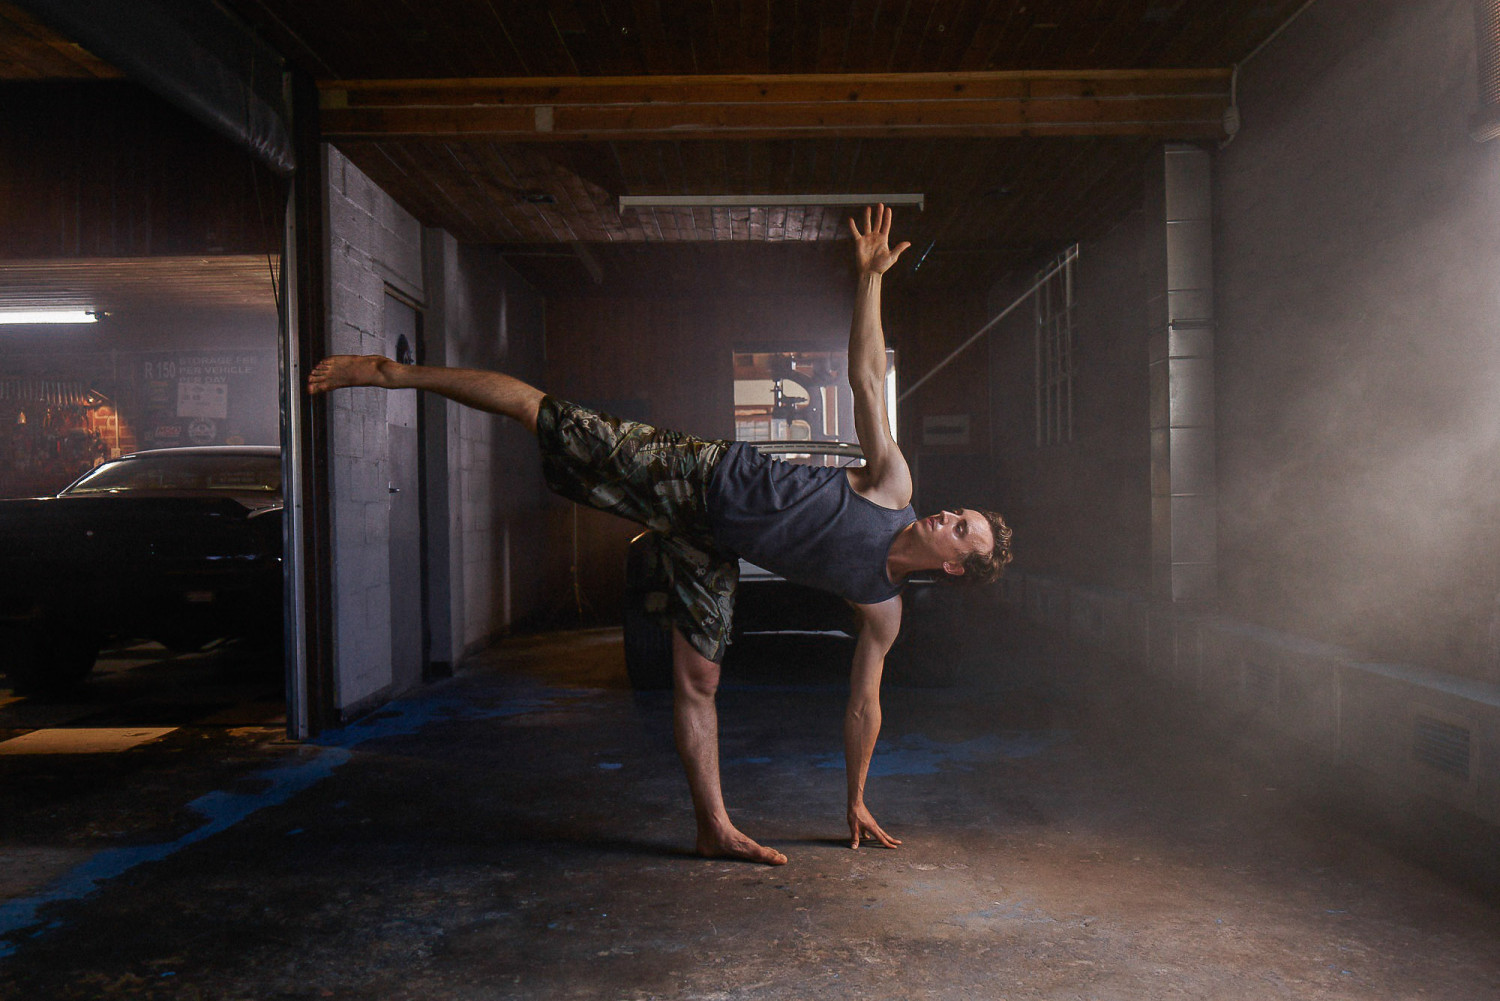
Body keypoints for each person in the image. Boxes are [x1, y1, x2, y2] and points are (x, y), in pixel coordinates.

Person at [307, 205, 1013, 866]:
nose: (946, 519)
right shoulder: (893, 485)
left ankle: (712, 827)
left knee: (700, 677)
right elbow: (864, 377)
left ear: (954, 567)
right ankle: (393, 372)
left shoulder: (882, 609)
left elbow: (865, 703)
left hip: (714, 544)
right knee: (542, 413)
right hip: (698, 477)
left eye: (961, 532)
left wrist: (855, 796)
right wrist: (869, 279)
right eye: (958, 514)